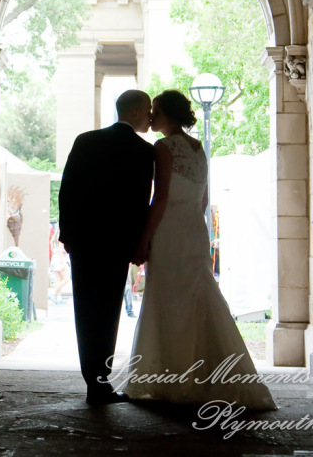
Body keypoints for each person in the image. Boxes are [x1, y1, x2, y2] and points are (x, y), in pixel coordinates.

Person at [122, 90, 276, 410]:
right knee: (198, 297)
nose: (150, 116)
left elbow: (160, 198)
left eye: (155, 111)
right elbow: (203, 199)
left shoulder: (163, 147)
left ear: (167, 114)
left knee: (166, 299)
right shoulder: (198, 148)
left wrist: (144, 238)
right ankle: (208, 373)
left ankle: (170, 377)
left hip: (170, 232)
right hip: (194, 231)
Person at [58, 90, 155, 405]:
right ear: (136, 112)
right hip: (117, 244)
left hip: (84, 242)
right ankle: (100, 382)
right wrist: (138, 244)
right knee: (109, 312)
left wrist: (67, 235)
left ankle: (92, 381)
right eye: (148, 110)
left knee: (85, 311)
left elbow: (67, 189)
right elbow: (141, 202)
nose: (151, 116)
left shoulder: (86, 141)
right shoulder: (144, 152)